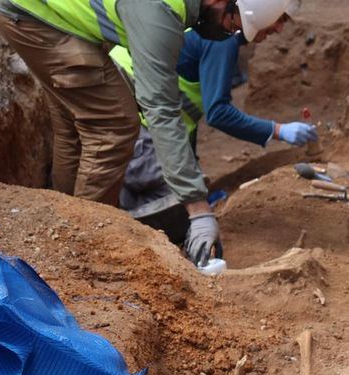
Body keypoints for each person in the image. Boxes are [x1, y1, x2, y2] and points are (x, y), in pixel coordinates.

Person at [0, 0, 300, 266]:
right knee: (114, 124)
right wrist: (198, 208)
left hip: (36, 9)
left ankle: (63, 224)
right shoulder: (159, 11)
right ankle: (85, 247)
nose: (231, 33)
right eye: (233, 23)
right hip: (31, 12)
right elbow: (160, 108)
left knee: (73, 126)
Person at [111, 20, 317, 266]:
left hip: (123, 96)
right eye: (279, 19)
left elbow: (185, 116)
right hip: (128, 106)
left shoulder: (210, 24)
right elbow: (218, 113)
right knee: (169, 207)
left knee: (164, 189)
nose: (279, 29)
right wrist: (278, 130)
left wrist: (190, 164)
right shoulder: (222, 38)